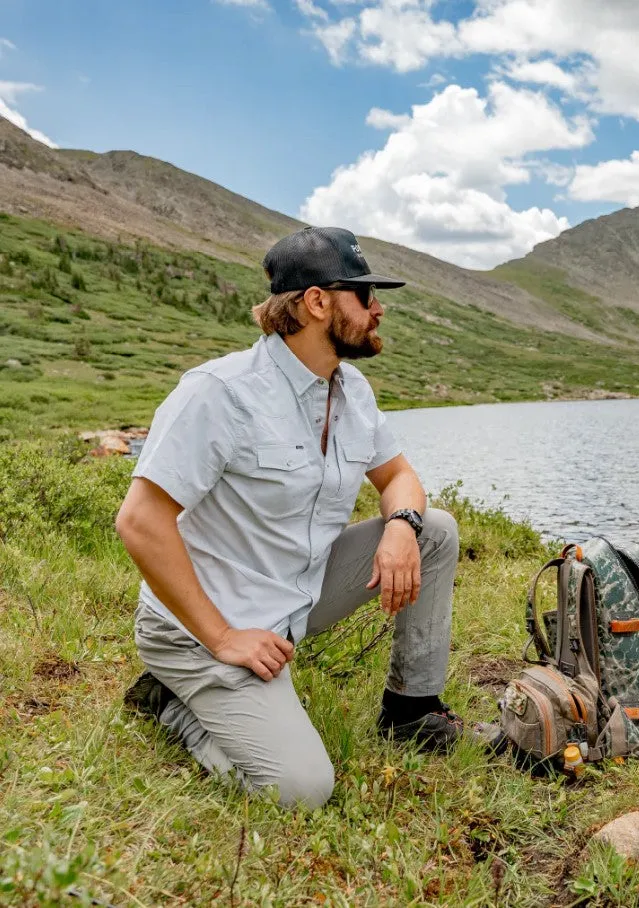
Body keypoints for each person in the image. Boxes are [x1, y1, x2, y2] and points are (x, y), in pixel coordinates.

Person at [117, 227, 471, 810]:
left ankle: (411, 713)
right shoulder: (221, 393)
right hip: (202, 628)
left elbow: (399, 478)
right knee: (301, 790)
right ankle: (171, 705)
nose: (378, 310)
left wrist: (402, 526)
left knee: (434, 530)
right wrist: (223, 636)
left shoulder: (351, 390)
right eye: (365, 296)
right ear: (316, 302)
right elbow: (140, 521)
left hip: (294, 598)